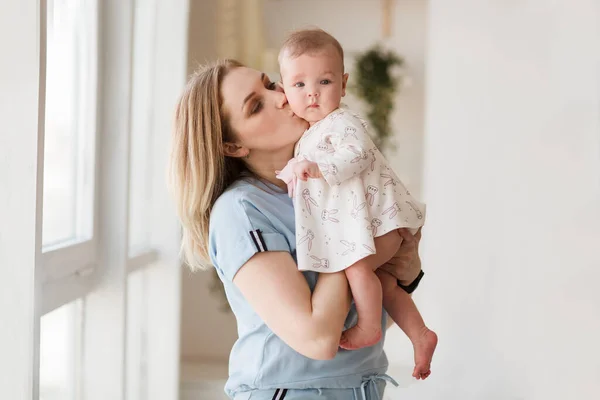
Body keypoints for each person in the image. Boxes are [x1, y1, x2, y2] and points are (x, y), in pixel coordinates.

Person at [169, 58, 426, 400]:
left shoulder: (323, 187)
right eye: (256, 106)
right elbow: (318, 339)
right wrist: (357, 253)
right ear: (233, 146)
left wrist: (406, 276)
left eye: (270, 83)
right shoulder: (242, 210)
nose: (281, 97)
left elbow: (360, 323)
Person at [275, 29, 437, 379]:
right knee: (384, 283)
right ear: (285, 91)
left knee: (354, 267)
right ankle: (420, 334)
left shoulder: (342, 122)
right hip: (374, 224)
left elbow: (359, 154)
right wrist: (292, 170)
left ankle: (368, 327)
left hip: (383, 220)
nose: (313, 93)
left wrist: (316, 168)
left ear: (344, 85)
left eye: (325, 81)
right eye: (299, 85)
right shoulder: (308, 135)